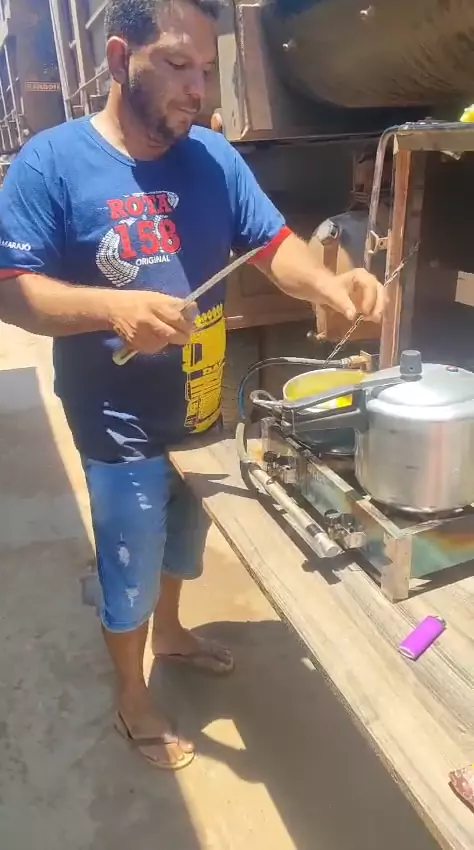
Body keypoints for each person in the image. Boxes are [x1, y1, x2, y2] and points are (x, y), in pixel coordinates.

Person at [0, 0, 385, 770]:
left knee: (185, 532)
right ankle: (132, 696)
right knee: (130, 555)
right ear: (120, 59)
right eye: (178, 65)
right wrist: (111, 308)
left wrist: (329, 286)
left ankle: (172, 634)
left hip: (199, 396)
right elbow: (13, 291)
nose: (197, 88)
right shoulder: (52, 163)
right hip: (116, 414)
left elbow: (271, 244)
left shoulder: (212, 157)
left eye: (206, 70)